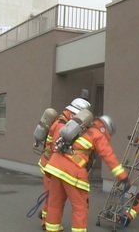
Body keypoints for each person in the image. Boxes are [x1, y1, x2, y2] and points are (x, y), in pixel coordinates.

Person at [44, 114, 129, 232]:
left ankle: (52, 229)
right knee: (80, 206)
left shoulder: (82, 129)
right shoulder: (97, 134)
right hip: (72, 170)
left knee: (55, 202)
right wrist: (123, 177)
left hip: (55, 166)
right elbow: (108, 156)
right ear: (106, 129)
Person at [37, 98, 91, 230]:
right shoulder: (62, 126)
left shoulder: (62, 122)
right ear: (73, 114)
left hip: (51, 164)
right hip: (53, 165)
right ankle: (46, 221)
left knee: (52, 196)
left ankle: (48, 220)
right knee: (53, 197)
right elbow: (59, 148)